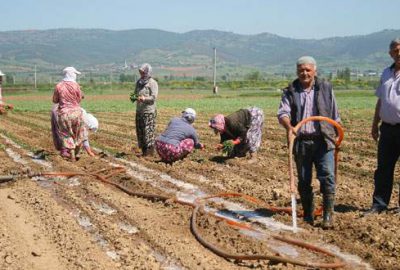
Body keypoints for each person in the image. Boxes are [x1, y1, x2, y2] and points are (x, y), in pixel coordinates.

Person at [277, 56, 341, 229]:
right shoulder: (291, 90)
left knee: (327, 176)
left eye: (308, 70)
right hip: (302, 142)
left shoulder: (326, 88)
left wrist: (336, 134)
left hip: (323, 141)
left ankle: (328, 215)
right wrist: (290, 127)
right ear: (297, 72)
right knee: (304, 180)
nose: (304, 73)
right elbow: (283, 113)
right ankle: (308, 215)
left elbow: (335, 115)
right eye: (301, 70)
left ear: (314, 71)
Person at [365, 38, 400, 215]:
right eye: (395, 50)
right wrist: (374, 124)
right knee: (383, 168)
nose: (398, 53)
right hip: (387, 128)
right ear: (390, 54)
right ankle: (379, 204)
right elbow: (381, 100)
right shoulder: (386, 73)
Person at [52, 66, 85, 161]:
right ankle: (78, 152)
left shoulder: (58, 86)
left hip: (64, 114)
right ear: (72, 74)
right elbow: (79, 99)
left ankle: (72, 155)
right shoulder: (76, 86)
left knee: (67, 134)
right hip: (77, 113)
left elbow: (55, 100)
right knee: (78, 133)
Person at [133, 63, 158, 156]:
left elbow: (153, 97)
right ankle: (144, 152)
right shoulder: (139, 82)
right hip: (139, 111)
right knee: (140, 132)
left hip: (149, 111)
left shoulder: (152, 83)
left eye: (143, 72)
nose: (141, 74)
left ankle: (149, 153)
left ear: (147, 72)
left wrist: (144, 98)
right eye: (140, 72)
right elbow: (135, 93)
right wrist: (134, 97)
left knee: (148, 132)